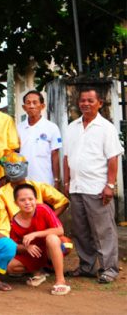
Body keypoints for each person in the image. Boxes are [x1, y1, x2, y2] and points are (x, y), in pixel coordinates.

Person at [63, 87, 123, 284]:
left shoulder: (106, 128)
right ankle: (87, 266)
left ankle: (109, 269)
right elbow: (67, 157)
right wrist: (66, 181)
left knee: (103, 230)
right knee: (81, 230)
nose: (85, 104)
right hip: (76, 187)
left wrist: (110, 185)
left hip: (97, 187)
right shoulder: (72, 127)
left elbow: (113, 159)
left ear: (99, 103)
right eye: (82, 100)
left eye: (90, 100)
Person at [7, 184, 72, 296]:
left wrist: (35, 234)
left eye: (30, 199)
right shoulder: (13, 222)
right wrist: (26, 248)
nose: (27, 202)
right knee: (10, 267)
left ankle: (60, 281)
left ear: (35, 200)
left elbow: (60, 230)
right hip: (34, 253)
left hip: (50, 249)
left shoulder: (43, 209)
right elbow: (14, 245)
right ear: (16, 203)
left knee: (52, 238)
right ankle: (38, 272)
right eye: (22, 200)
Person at [0, 152, 69, 219]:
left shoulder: (38, 186)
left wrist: (48, 220)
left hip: (39, 228)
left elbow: (62, 202)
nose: (12, 171)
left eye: (17, 167)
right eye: (9, 167)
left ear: (25, 166)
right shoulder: (0, 194)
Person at [17, 90, 62, 188]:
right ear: (24, 107)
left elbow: (55, 155)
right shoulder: (18, 128)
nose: (31, 106)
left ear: (42, 106)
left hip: (45, 182)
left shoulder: (52, 127)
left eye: (35, 102)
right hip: (23, 182)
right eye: (28, 103)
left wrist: (56, 180)